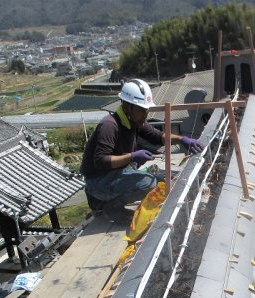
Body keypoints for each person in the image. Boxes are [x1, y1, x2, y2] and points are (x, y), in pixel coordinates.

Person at [81, 79, 203, 223]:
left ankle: (107, 202)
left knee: (160, 182)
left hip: (114, 174)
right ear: (127, 107)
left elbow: (158, 137)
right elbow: (101, 161)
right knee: (148, 184)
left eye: (146, 110)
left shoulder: (134, 121)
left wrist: (182, 139)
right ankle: (110, 207)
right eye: (141, 110)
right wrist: (131, 157)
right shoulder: (109, 126)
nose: (145, 115)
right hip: (98, 181)